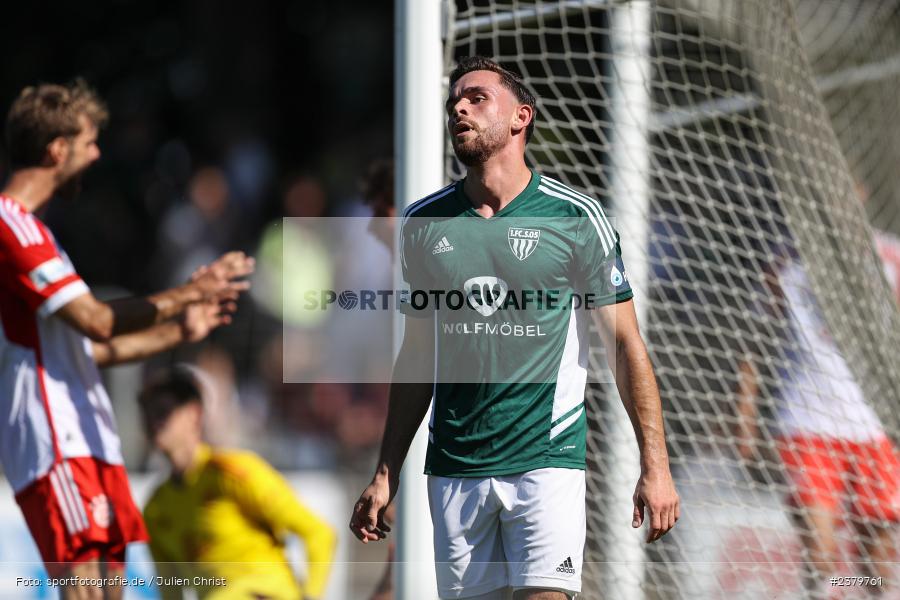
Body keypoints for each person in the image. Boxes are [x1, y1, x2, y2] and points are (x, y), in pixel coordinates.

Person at [349, 56, 679, 600]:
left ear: (521, 116)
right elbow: (417, 354)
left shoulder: (576, 217)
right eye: (454, 100)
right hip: (455, 466)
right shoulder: (423, 223)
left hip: (545, 461)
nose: (459, 106)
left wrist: (656, 466)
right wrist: (387, 470)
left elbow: (625, 344)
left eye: (477, 97)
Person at [0, 81, 254, 599]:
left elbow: (92, 349)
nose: (97, 156)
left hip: (89, 434)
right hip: (54, 438)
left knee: (113, 590)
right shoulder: (11, 225)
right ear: (56, 150)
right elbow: (96, 320)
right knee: (84, 591)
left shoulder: (41, 236)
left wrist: (179, 330)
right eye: (90, 142)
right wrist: (190, 292)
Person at [736, 247, 900, 597]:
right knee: (820, 553)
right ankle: (827, 589)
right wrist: (745, 418)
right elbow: (754, 342)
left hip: (874, 425)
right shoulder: (782, 263)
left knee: (879, 566)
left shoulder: (889, 257)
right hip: (807, 422)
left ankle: (864, 590)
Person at [139, 368, 337, 600]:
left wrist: (310, 596)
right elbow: (171, 590)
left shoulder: (232, 473)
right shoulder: (155, 508)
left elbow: (319, 532)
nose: (153, 422)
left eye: (163, 412)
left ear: (194, 414)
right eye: (147, 414)